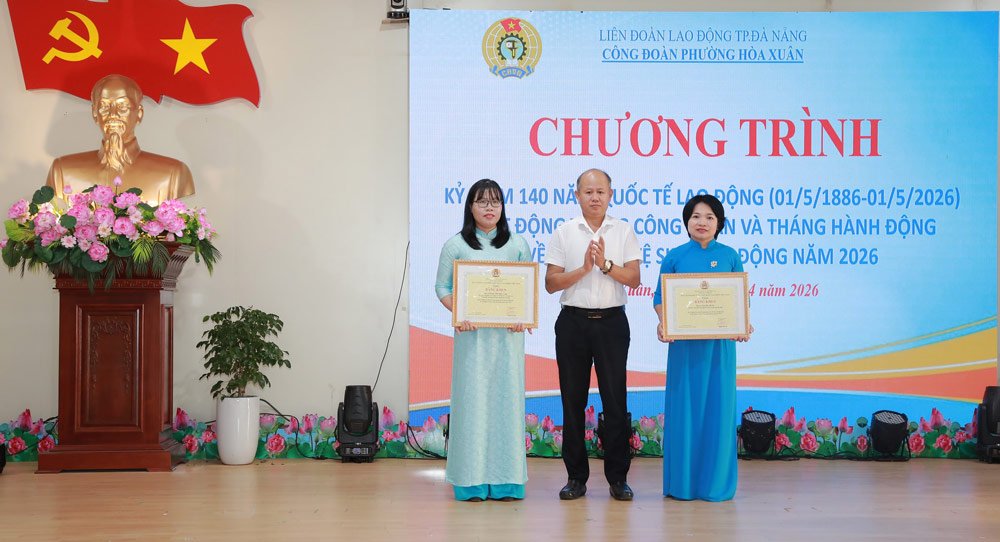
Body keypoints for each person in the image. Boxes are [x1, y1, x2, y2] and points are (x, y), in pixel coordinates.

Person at [545, 168, 641, 501]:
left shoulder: (624, 230)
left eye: (601, 191)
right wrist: (584, 269)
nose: (595, 197)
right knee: (573, 401)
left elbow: (634, 279)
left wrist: (605, 266)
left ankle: (618, 478)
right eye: (588, 192)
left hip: (612, 324)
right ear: (577, 195)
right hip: (573, 323)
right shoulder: (564, 232)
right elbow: (550, 284)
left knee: (616, 401)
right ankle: (576, 477)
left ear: (610, 194)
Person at [434, 178, 532, 502]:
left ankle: (507, 482)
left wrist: (523, 318)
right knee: (472, 406)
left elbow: (525, 290)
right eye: (482, 202)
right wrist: (458, 311)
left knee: (507, 405)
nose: (489, 208)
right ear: (470, 207)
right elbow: (443, 288)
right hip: (471, 342)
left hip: (507, 340)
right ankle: (470, 482)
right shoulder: (456, 245)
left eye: (495, 202)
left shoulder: (518, 244)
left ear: (503, 207)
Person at [653, 194, 752, 502]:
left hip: (720, 349)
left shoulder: (730, 256)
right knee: (685, 412)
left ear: (719, 223)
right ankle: (681, 485)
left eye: (709, 217)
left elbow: (740, 301)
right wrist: (664, 324)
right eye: (696, 216)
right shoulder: (675, 256)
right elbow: (660, 299)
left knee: (718, 413)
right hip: (684, 349)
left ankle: (715, 486)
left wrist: (743, 324)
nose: (702, 222)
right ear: (687, 222)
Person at [46, 74, 194, 204]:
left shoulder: (173, 173)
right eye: (104, 106)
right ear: (95, 114)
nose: (113, 114)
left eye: (123, 106)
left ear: (139, 113)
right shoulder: (63, 171)